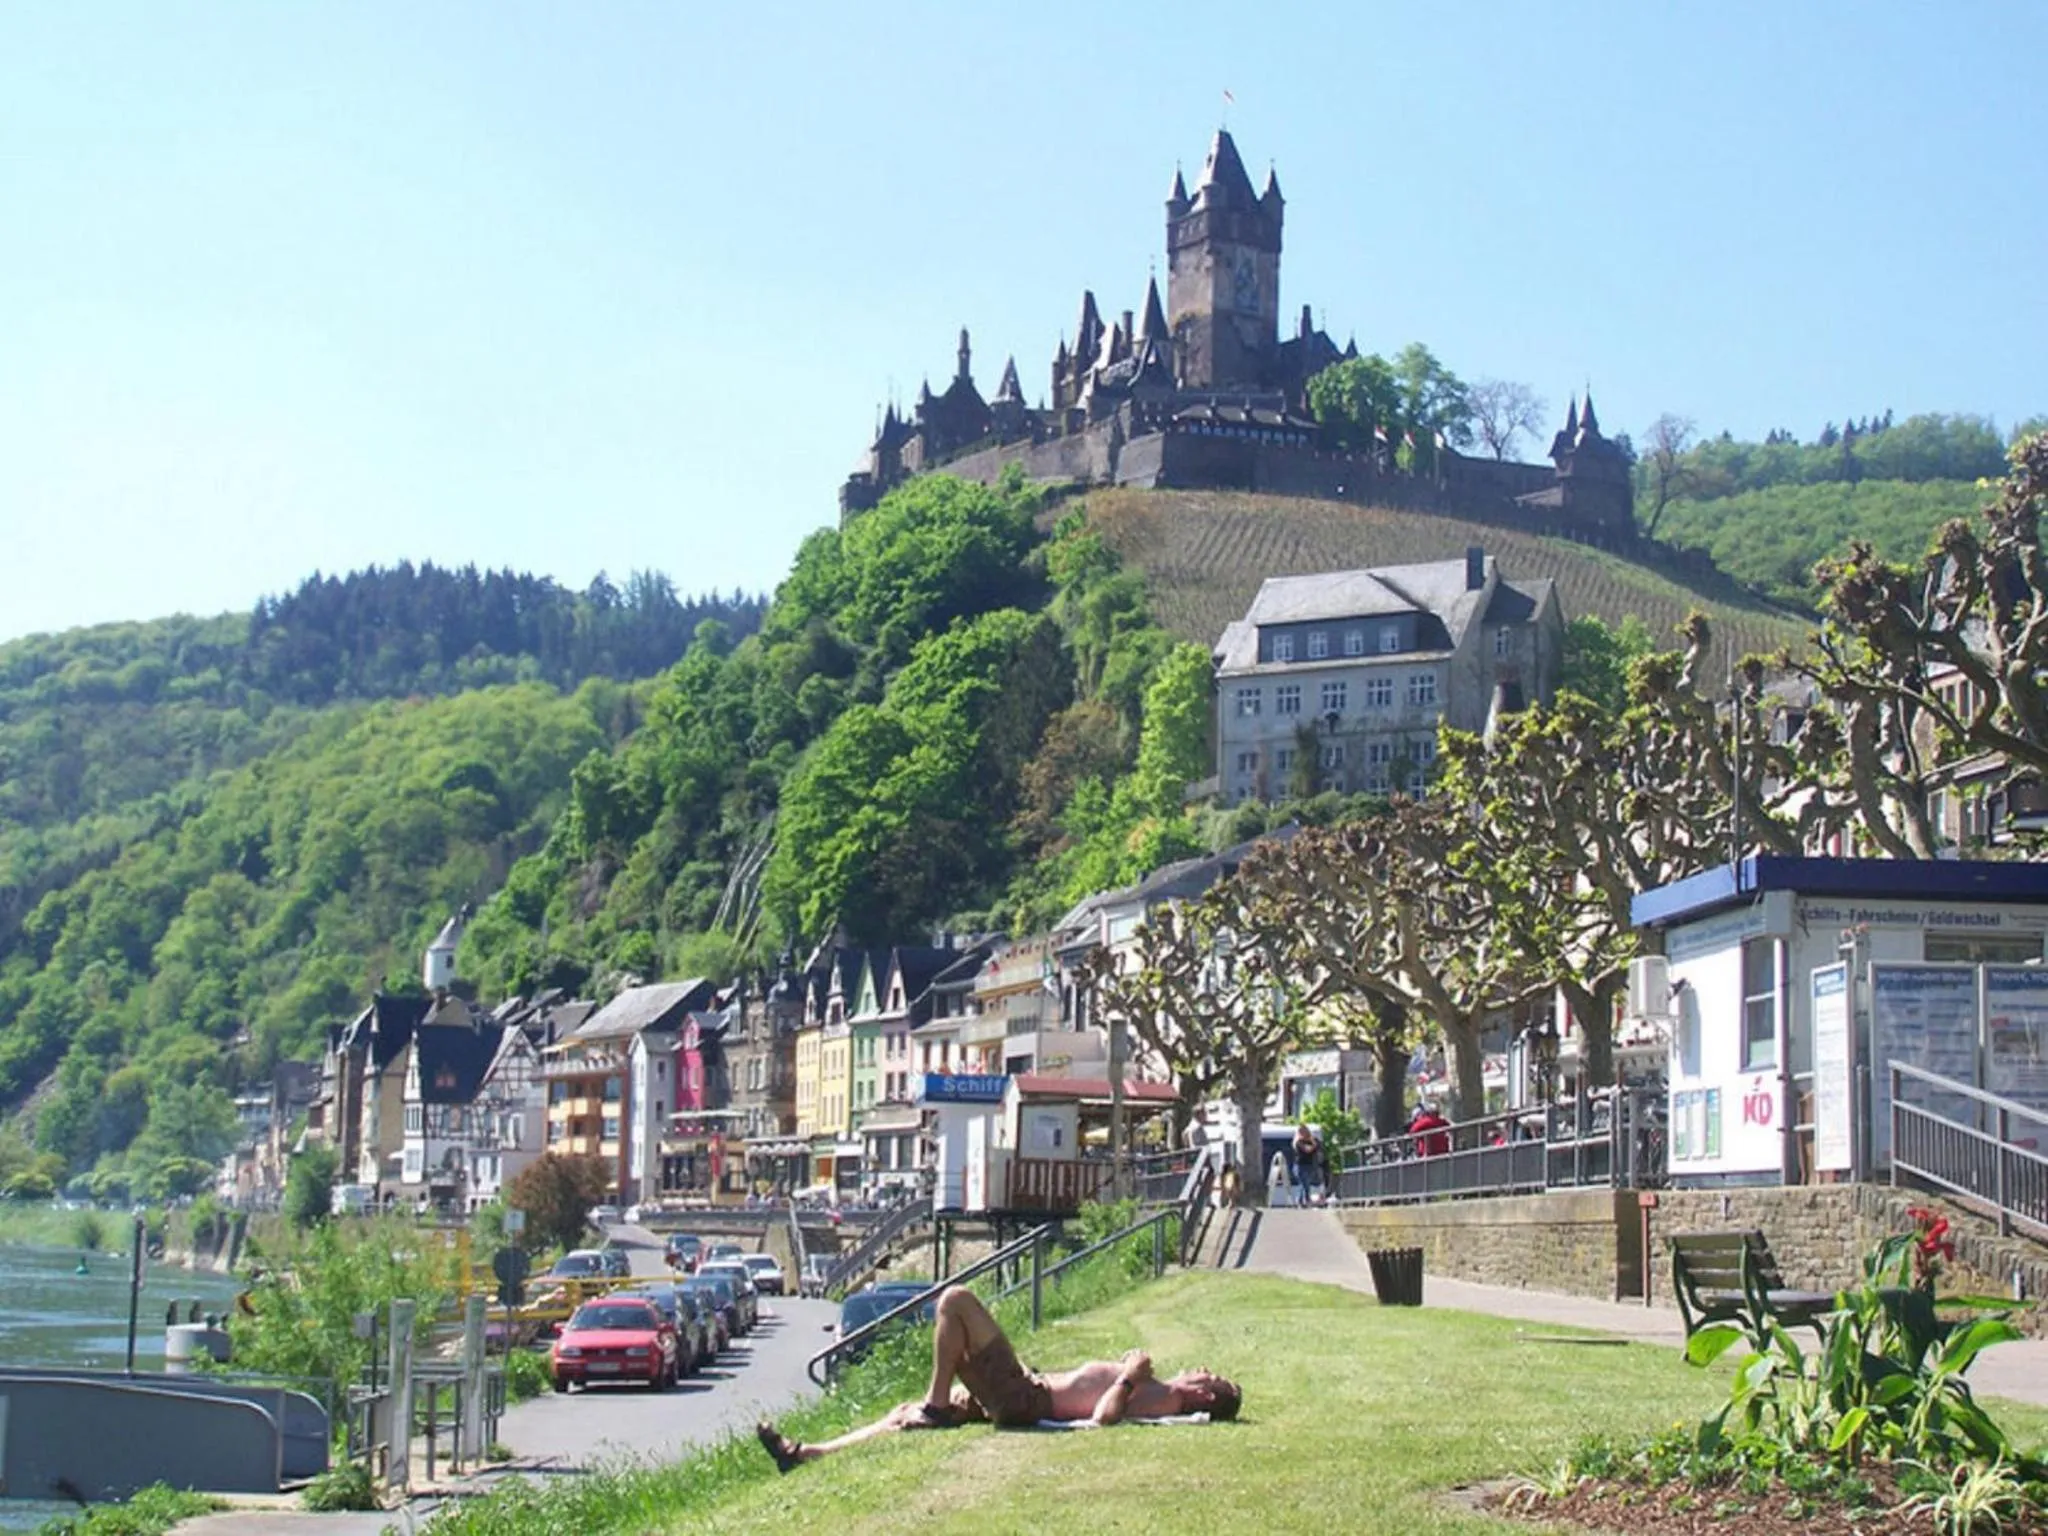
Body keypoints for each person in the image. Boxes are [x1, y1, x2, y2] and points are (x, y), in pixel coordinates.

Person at [756, 1286, 1241, 1472]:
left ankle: (936, 1405)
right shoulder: (1163, 1387)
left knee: (956, 1301)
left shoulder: (1170, 1399)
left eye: (1211, 1376)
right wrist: (1129, 1371)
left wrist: (1129, 1378)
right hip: (1026, 1389)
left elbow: (1102, 1418)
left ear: (1204, 1395)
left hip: (1025, 1399)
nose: (1203, 1368)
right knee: (901, 1414)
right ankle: (808, 1454)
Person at [1290, 1121, 1325, 1206]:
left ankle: (1301, 1201)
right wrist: (1313, 1145)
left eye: (1305, 1130)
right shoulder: (1298, 1142)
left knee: (1306, 1183)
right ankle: (1305, 1200)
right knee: (1304, 1183)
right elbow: (1307, 1150)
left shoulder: (1312, 1141)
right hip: (1300, 1166)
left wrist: (1312, 1140)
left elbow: (1318, 1147)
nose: (1304, 1133)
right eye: (1302, 1131)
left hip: (1310, 1165)